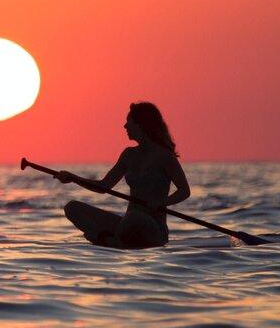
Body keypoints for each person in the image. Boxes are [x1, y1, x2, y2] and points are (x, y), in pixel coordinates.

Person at [56, 101, 191, 249]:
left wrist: (162, 202)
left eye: (129, 122)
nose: (125, 126)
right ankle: (109, 238)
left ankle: (107, 239)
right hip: (126, 224)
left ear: (141, 125)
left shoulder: (165, 157)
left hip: (153, 230)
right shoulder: (128, 155)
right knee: (72, 207)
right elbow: (104, 186)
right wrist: (73, 178)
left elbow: (184, 191)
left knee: (135, 216)